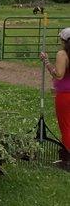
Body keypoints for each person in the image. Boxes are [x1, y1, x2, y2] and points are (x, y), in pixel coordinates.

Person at [40, 27, 70, 170]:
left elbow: (58, 74)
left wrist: (46, 62)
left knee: (66, 127)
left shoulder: (62, 54)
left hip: (65, 96)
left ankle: (67, 160)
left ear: (64, 41)